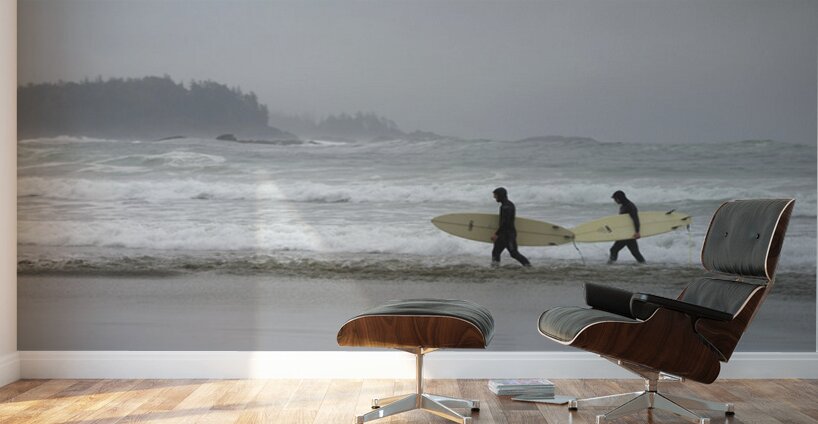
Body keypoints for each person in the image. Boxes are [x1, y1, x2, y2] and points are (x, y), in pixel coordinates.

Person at [491, 187, 531, 267]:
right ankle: (495, 268)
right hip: (503, 234)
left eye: (495, 195)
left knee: (514, 253)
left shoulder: (507, 206)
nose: (494, 197)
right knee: (496, 252)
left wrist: (496, 234)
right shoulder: (505, 205)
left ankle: (528, 266)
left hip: (509, 235)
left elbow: (506, 222)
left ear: (500, 195)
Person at [608, 190, 646, 264]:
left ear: (618, 198)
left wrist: (637, 231)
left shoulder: (630, 206)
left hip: (627, 233)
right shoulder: (624, 206)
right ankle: (644, 264)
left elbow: (635, 219)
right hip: (627, 232)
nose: (615, 201)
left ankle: (610, 265)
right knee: (635, 252)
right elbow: (624, 221)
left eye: (615, 199)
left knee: (614, 250)